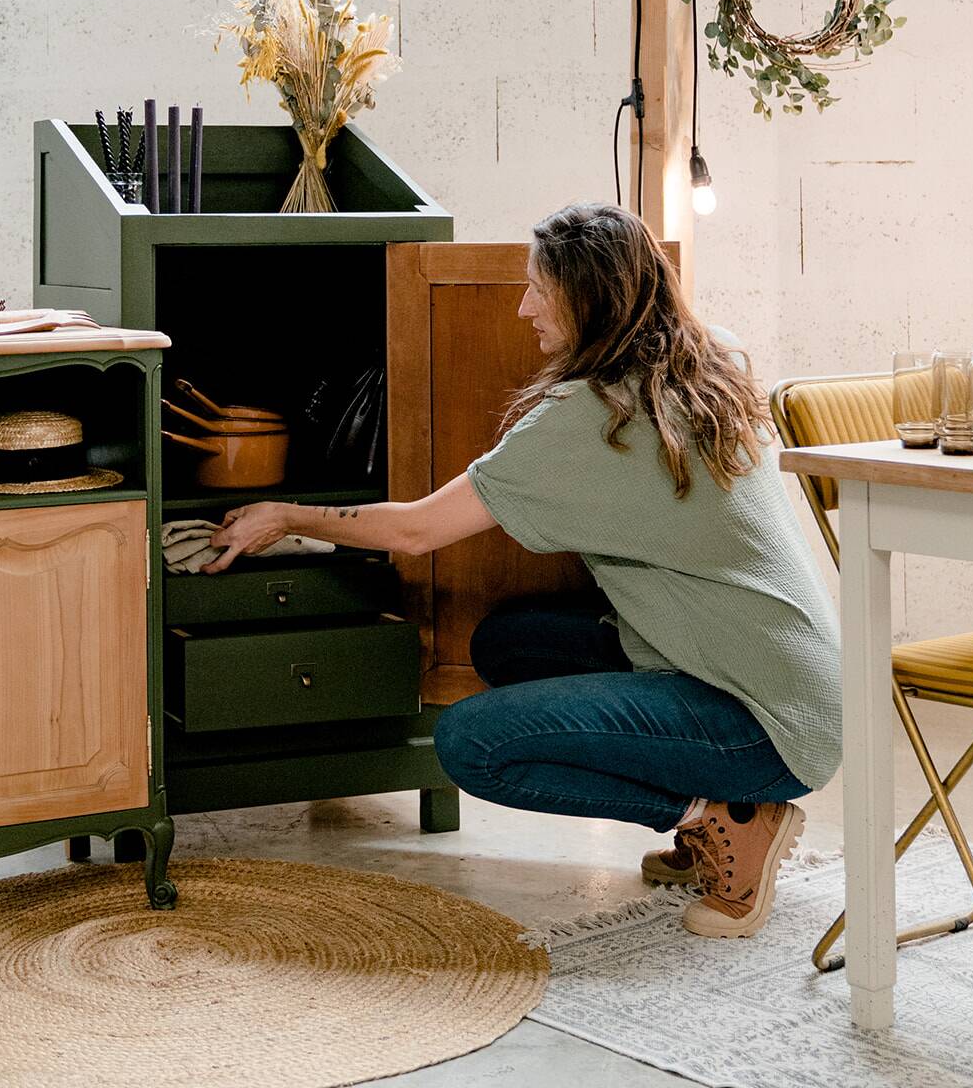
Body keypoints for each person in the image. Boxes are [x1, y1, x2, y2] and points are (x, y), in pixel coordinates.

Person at [201, 201, 843, 938]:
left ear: (589, 297)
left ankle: (724, 817)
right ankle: (716, 804)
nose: (522, 306)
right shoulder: (708, 354)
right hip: (799, 685)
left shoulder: (592, 418)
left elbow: (414, 530)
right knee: (511, 642)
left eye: (540, 287)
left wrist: (285, 515)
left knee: (471, 745)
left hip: (761, 728)